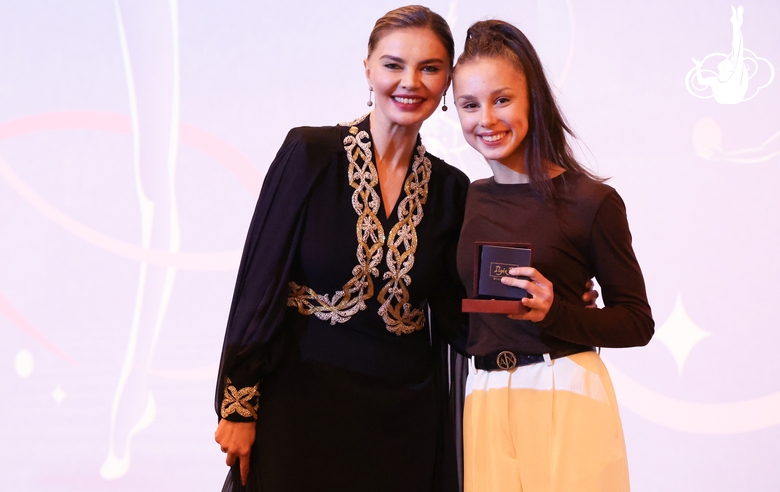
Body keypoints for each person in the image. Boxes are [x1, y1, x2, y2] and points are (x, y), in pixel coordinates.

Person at [213, 6, 470, 492]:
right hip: (300, 411)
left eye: (429, 68)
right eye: (394, 65)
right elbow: (261, 281)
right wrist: (238, 406)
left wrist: (554, 301)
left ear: (447, 83)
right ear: (368, 68)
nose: (409, 81)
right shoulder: (309, 154)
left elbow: (459, 317)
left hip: (402, 427)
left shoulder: (452, 188)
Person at [451, 20, 654, 492]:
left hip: (562, 388)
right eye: (469, 104)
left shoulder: (591, 202)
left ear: (533, 99)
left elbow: (636, 321)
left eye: (502, 99)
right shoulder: (465, 199)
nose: (487, 119)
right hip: (482, 395)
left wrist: (557, 313)